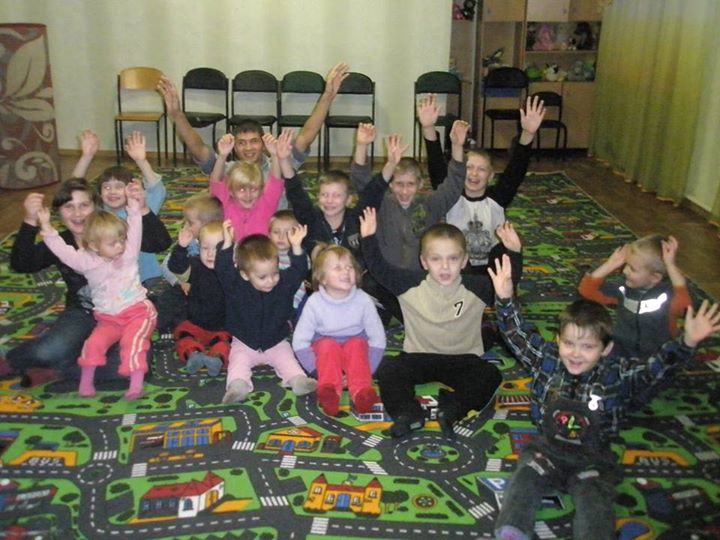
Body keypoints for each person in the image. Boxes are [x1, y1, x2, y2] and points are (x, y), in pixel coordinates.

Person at [487, 254, 720, 540]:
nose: (575, 353)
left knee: (595, 500)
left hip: (592, 458)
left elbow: (655, 368)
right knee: (523, 479)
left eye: (587, 347)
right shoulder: (546, 360)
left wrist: (687, 342)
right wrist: (505, 298)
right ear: (558, 341)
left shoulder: (615, 374)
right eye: (569, 343)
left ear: (606, 349)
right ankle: (513, 530)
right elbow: (517, 334)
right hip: (545, 450)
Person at [359, 207, 523, 438]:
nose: (445, 267)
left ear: (464, 261)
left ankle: (452, 408)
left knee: (490, 375)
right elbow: (380, 270)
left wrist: (515, 252)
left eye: (453, 259)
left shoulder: (477, 287)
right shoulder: (409, 284)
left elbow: (508, 281)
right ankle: (408, 413)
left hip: (463, 359)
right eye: (436, 259)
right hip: (418, 357)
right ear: (424, 262)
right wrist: (368, 238)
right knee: (389, 369)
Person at [157, 63, 349, 207]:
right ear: (234, 147)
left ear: (263, 144)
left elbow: (306, 135)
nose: (248, 148)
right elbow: (198, 148)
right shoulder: (226, 169)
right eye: (242, 143)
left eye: (254, 141)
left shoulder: (280, 163)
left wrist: (327, 96)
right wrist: (176, 114)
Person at [37, 182, 159, 400]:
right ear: (94, 246)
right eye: (113, 243)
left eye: (121, 240)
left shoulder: (128, 254)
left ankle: (135, 385)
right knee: (93, 345)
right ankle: (86, 382)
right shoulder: (86, 261)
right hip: (108, 318)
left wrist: (133, 207)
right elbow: (63, 251)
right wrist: (47, 228)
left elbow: (135, 229)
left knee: (133, 344)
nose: (120, 246)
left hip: (137, 313)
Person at [4, 179, 123, 387]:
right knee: (52, 349)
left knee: (129, 366)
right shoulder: (59, 242)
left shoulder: (115, 233)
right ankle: (15, 362)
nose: (77, 214)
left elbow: (158, 242)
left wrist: (142, 209)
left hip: (121, 315)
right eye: (69, 207)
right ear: (58, 212)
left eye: (84, 205)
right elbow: (21, 264)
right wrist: (30, 220)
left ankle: (58, 370)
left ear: (96, 206)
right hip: (82, 312)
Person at [421, 95, 545, 271]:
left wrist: (528, 134)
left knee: (510, 254)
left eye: (481, 169)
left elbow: (517, 169)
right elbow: (436, 167)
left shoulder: (499, 197)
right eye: (469, 168)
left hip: (492, 269)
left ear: (491, 176)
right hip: (460, 269)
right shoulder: (451, 196)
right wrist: (428, 128)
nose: (474, 174)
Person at [215, 220, 317, 404]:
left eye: (274, 273)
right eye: (262, 277)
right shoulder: (236, 286)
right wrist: (227, 244)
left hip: (276, 341)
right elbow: (223, 269)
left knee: (288, 360)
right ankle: (238, 386)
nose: (270, 280)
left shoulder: (283, 283)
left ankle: (298, 381)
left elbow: (299, 270)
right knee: (237, 363)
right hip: (244, 342)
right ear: (245, 274)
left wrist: (296, 247)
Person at [351, 114, 468, 271]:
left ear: (420, 184)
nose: (405, 191)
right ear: (390, 184)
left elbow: (453, 185)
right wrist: (361, 145)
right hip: (385, 275)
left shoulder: (430, 204)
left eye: (410, 184)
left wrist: (457, 146)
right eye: (399, 184)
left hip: (420, 276)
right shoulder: (380, 204)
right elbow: (362, 182)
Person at [292, 245, 385, 416]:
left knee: (357, 344)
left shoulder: (363, 300)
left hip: (356, 354)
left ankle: (361, 393)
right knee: (327, 345)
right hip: (325, 357)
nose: (346, 271)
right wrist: (316, 370)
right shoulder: (314, 303)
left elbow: (377, 338)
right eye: (337, 267)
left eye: (349, 267)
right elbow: (300, 341)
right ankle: (330, 393)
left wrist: (368, 369)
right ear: (322, 279)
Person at [74, 130, 171, 287]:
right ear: (99, 192)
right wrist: (86, 157)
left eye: (119, 187)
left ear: (130, 189)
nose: (112, 192)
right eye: (107, 187)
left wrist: (141, 161)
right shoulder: (97, 212)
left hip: (144, 276)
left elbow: (157, 189)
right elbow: (74, 191)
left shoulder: (139, 206)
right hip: (110, 279)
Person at [578, 234, 692, 358]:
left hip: (657, 352)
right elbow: (586, 290)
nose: (625, 271)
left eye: (632, 269)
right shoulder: (623, 289)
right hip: (622, 347)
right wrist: (611, 264)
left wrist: (670, 265)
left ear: (655, 277)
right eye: (626, 265)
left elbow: (685, 304)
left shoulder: (667, 296)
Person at [168, 221, 230, 377]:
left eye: (217, 249)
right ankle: (194, 355)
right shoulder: (195, 264)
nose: (210, 254)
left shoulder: (231, 270)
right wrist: (181, 248)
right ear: (198, 247)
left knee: (225, 342)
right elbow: (177, 268)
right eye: (205, 248)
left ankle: (216, 359)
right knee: (183, 335)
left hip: (222, 326)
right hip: (195, 322)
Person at [157, 193, 224, 332]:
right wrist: (179, 282)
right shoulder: (188, 243)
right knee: (167, 299)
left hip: (216, 294)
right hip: (192, 291)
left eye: (190, 223)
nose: (185, 226)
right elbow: (166, 266)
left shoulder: (224, 243)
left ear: (207, 225)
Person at [209, 129, 292, 241]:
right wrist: (222, 156)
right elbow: (216, 182)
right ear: (231, 191)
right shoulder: (226, 203)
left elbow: (275, 181)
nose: (248, 195)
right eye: (242, 190)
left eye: (253, 190)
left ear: (261, 190)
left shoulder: (266, 204)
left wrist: (274, 155)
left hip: (261, 251)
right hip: (232, 251)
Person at [268, 210, 309, 321]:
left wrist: (295, 303)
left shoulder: (300, 256)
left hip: (293, 304)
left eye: (287, 233)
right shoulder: (264, 255)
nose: (281, 237)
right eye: (276, 232)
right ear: (269, 234)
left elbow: (306, 283)